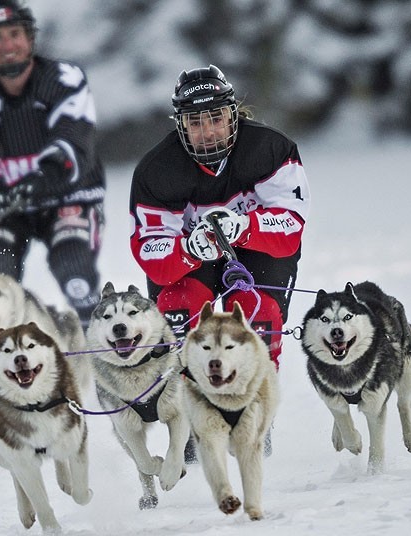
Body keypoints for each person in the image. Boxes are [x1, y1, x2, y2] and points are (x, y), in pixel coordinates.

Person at [129, 64, 310, 462]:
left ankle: (255, 415)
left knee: (259, 316)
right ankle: (194, 420)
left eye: (216, 118)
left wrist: (245, 226)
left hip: (257, 247)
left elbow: (291, 226)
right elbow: (152, 253)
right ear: (179, 125)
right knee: (183, 316)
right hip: (192, 258)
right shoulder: (156, 171)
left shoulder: (270, 149)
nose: (208, 131)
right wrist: (188, 250)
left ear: (233, 114)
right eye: (195, 122)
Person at [0, 0, 106, 327]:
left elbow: (74, 136)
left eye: (15, 34)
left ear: (30, 37)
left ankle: (97, 349)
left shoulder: (64, 79)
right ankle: (11, 363)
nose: (7, 45)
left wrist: (46, 174)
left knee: (75, 271)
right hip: (0, 204)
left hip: (66, 196)